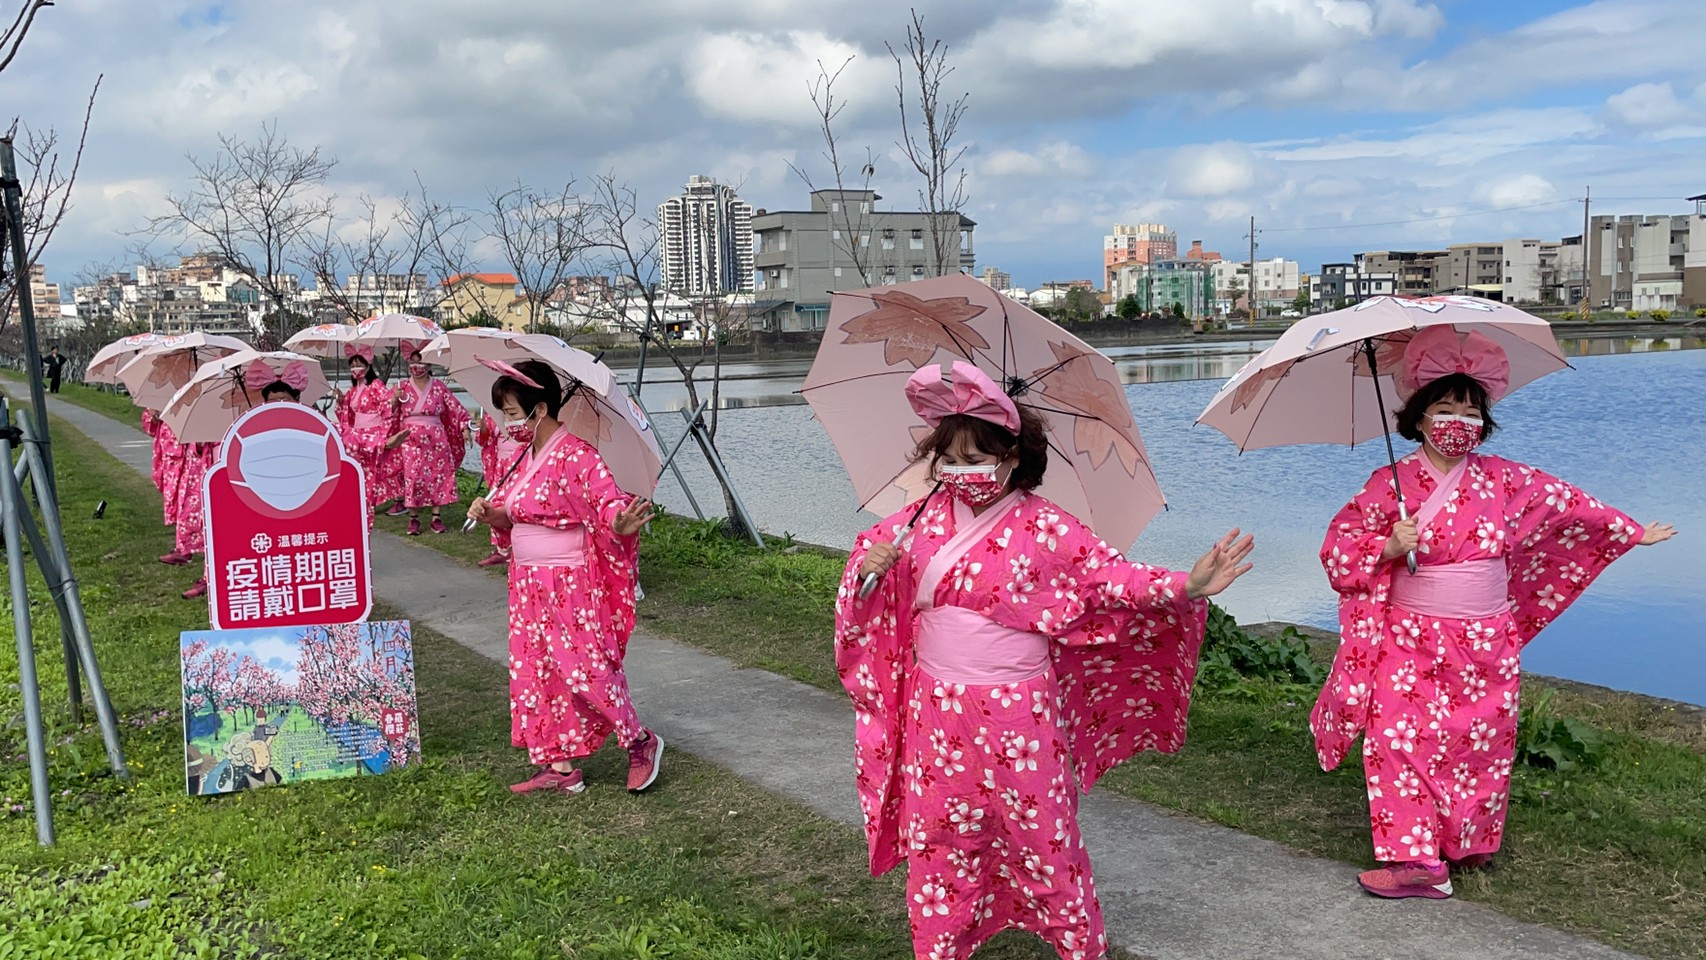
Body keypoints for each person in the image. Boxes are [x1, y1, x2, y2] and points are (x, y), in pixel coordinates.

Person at [835, 361, 1254, 960]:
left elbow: (1111, 580)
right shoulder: (909, 528)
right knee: (943, 835)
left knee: (1043, 835)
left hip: (1020, 712)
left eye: (976, 458)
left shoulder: (1049, 528)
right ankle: (940, 947)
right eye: (948, 459)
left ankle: (1079, 947)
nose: (961, 472)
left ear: (1012, 459)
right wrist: (867, 573)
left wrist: (1186, 585)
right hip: (939, 710)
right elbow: (864, 601)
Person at [1309, 326, 1676, 900]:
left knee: (1477, 738)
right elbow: (1338, 549)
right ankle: (1416, 861)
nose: (1460, 418)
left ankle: (1464, 842)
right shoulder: (1391, 485)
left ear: (1485, 420)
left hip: (1486, 639)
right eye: (1446, 406)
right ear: (1419, 416)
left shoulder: (1506, 479)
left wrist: (1627, 530)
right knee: (1397, 738)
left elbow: (1566, 508)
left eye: (1471, 408)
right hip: (1410, 635)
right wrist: (1387, 547)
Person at [466, 359, 663, 796]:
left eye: (513, 414)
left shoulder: (578, 455)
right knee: (537, 670)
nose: (507, 423)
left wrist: (620, 524)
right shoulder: (520, 458)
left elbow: (606, 502)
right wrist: (489, 513)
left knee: (585, 668)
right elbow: (512, 514)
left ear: (540, 409)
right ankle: (560, 763)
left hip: (569, 582)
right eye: (504, 414)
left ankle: (639, 741)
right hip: (527, 582)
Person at [386, 344, 469, 535]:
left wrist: (464, 427)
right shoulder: (402, 387)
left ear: (430, 365)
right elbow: (387, 413)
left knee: (438, 475)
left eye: (421, 362)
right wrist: (394, 400)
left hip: (436, 438)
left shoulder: (439, 387)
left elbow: (455, 409)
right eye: (413, 362)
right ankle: (413, 518)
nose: (417, 366)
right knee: (413, 476)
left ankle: (436, 517)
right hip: (410, 439)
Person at [331, 345, 397, 521]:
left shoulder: (376, 385)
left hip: (373, 433)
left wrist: (394, 400)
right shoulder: (353, 390)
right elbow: (347, 415)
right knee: (358, 470)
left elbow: (386, 406)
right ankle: (359, 500)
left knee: (372, 470)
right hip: (357, 434)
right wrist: (341, 400)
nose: (355, 369)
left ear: (368, 366)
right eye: (352, 366)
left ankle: (369, 502)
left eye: (359, 365)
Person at [473, 411, 520, 567]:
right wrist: (484, 428)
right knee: (496, 504)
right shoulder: (494, 410)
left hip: (520, 462)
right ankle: (503, 549)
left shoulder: (527, 410)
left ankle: (514, 546)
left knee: (515, 504)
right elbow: (484, 439)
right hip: (501, 464)